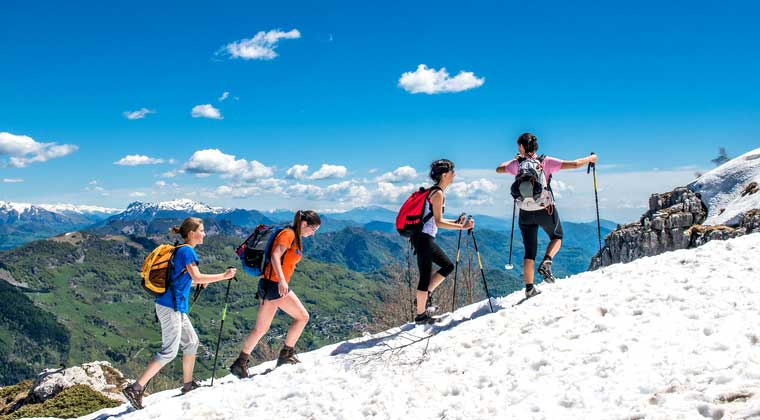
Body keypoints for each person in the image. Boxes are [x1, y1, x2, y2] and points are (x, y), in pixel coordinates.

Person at [123, 217, 236, 410]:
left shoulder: (180, 250)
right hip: (170, 307)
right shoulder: (187, 251)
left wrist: (198, 282)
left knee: (191, 342)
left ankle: (188, 384)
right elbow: (197, 276)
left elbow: (183, 280)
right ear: (192, 233)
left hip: (174, 306)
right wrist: (223, 276)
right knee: (169, 352)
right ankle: (135, 388)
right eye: (202, 230)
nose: (205, 233)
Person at [496, 133, 598, 298]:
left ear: (521, 147)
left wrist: (515, 160)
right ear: (536, 147)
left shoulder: (516, 164)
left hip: (525, 213)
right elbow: (575, 164)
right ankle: (547, 261)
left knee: (529, 252)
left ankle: (529, 288)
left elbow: (499, 168)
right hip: (545, 209)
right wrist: (591, 158)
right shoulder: (545, 161)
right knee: (557, 236)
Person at [229, 210, 321, 378]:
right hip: (274, 285)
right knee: (303, 317)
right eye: (313, 229)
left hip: (267, 284)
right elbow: (275, 255)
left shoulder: (293, 235)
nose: (313, 233)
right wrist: (282, 280)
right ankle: (286, 354)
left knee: (260, 328)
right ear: (304, 224)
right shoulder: (288, 234)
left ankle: (240, 363)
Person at [411, 159, 474, 324]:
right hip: (424, 239)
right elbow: (438, 222)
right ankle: (420, 315)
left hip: (424, 238)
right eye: (452, 172)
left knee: (447, 266)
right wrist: (463, 227)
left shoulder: (435, 192)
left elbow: (434, 219)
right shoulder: (437, 193)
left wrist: (456, 222)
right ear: (444, 175)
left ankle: (424, 298)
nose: (454, 175)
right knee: (426, 277)